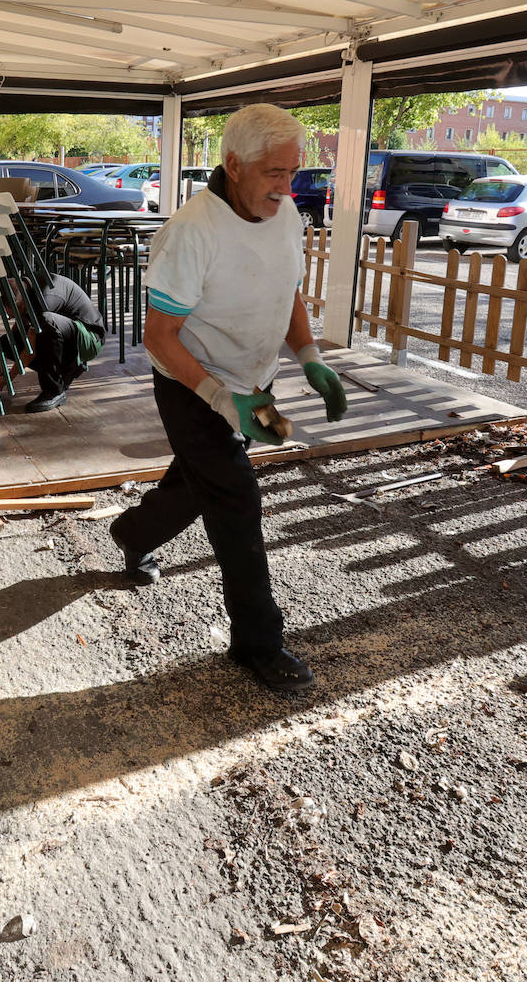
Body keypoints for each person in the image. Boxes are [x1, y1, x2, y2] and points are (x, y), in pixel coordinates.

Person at [108, 104, 347, 691]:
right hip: (192, 383)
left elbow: (286, 288)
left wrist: (310, 357)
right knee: (235, 496)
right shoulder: (194, 231)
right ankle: (258, 643)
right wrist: (221, 399)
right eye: (273, 173)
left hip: (253, 382)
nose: (286, 187)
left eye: (293, 172)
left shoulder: (286, 213)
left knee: (200, 479)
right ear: (234, 165)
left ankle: (134, 534)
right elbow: (159, 337)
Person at [16, 273, 105, 412]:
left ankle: (54, 391)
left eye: (9, 311)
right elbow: (18, 328)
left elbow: (29, 350)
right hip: (69, 332)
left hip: (90, 338)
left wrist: (7, 377)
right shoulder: (26, 287)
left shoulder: (44, 299)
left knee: (46, 322)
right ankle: (69, 367)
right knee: (9, 342)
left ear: (18, 303)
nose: (9, 316)